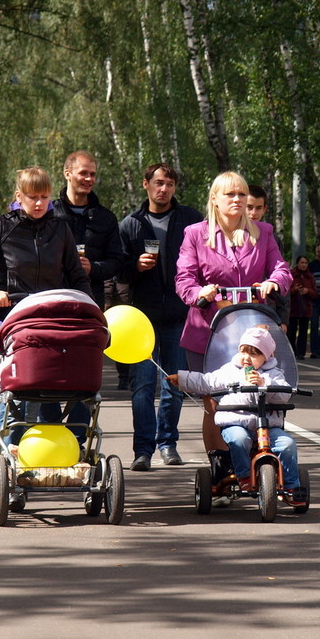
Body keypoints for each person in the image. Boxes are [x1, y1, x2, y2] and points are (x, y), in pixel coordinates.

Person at [0, 166, 93, 445]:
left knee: (59, 379)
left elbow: (76, 275)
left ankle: (62, 441)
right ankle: (13, 442)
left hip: (51, 317)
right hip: (10, 316)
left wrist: (90, 311)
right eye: (32, 197)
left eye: (44, 197)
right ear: (19, 196)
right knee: (20, 383)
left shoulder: (60, 228)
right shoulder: (3, 226)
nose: (39, 204)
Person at [175, 171, 292, 457]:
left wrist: (274, 281)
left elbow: (281, 268)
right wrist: (199, 294)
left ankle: (252, 461)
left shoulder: (262, 232)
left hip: (252, 332)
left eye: (241, 193)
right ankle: (220, 470)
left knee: (258, 397)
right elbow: (184, 278)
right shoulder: (195, 233)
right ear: (214, 199)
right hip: (208, 332)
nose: (237, 199)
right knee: (216, 403)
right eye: (230, 194)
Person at [119, 163, 202, 471]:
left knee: (175, 384)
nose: (163, 189)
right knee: (142, 385)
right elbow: (117, 269)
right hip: (141, 319)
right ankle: (143, 450)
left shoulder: (191, 219)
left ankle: (168, 443)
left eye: (169, 183)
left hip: (180, 314)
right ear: (146, 185)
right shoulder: (130, 224)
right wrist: (135, 267)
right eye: (158, 183)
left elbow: (204, 260)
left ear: (174, 187)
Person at [167, 325, 304, 504]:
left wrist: (265, 383)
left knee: (287, 444)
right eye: (243, 351)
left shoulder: (274, 374)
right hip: (236, 423)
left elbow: (284, 395)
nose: (247, 357)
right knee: (238, 439)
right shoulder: (229, 371)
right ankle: (244, 475)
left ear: (268, 356)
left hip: (267, 426)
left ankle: (292, 486)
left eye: (254, 354)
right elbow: (206, 382)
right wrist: (183, 379)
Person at [51, 150, 126, 307]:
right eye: (83, 173)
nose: (89, 179)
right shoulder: (49, 214)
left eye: (92, 174)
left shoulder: (106, 218)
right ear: (67, 174)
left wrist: (93, 267)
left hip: (90, 300)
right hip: (53, 298)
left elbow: (116, 261)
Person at [247, 184, 289, 331]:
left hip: (266, 309)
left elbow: (281, 274)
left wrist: (283, 319)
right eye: (249, 207)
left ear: (264, 209)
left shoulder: (271, 237)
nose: (253, 213)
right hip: (234, 308)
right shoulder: (226, 236)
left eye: (258, 208)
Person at [287, 255, 317, 359]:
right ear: (297, 263)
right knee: (292, 331)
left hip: (306, 308)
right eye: (302, 262)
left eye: (305, 263)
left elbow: (315, 293)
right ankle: (291, 351)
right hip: (293, 308)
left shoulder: (310, 276)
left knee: (303, 332)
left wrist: (307, 291)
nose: (303, 265)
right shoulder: (291, 275)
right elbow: (286, 292)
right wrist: (295, 289)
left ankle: (301, 353)